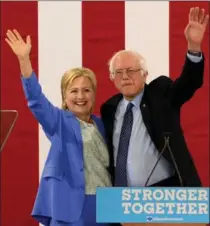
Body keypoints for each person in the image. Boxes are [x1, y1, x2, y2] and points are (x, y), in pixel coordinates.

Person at [5, 29, 112, 226]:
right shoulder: (59, 121)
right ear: (65, 96)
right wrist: (24, 61)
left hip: (105, 205)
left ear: (94, 94)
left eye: (86, 90)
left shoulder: (103, 124)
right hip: (69, 206)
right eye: (74, 91)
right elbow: (36, 100)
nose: (80, 96)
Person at [100, 7, 209, 188]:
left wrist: (194, 47)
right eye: (118, 72)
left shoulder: (161, 94)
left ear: (145, 74)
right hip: (121, 199)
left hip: (163, 195)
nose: (125, 77)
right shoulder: (109, 108)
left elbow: (189, 83)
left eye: (131, 71)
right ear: (112, 78)